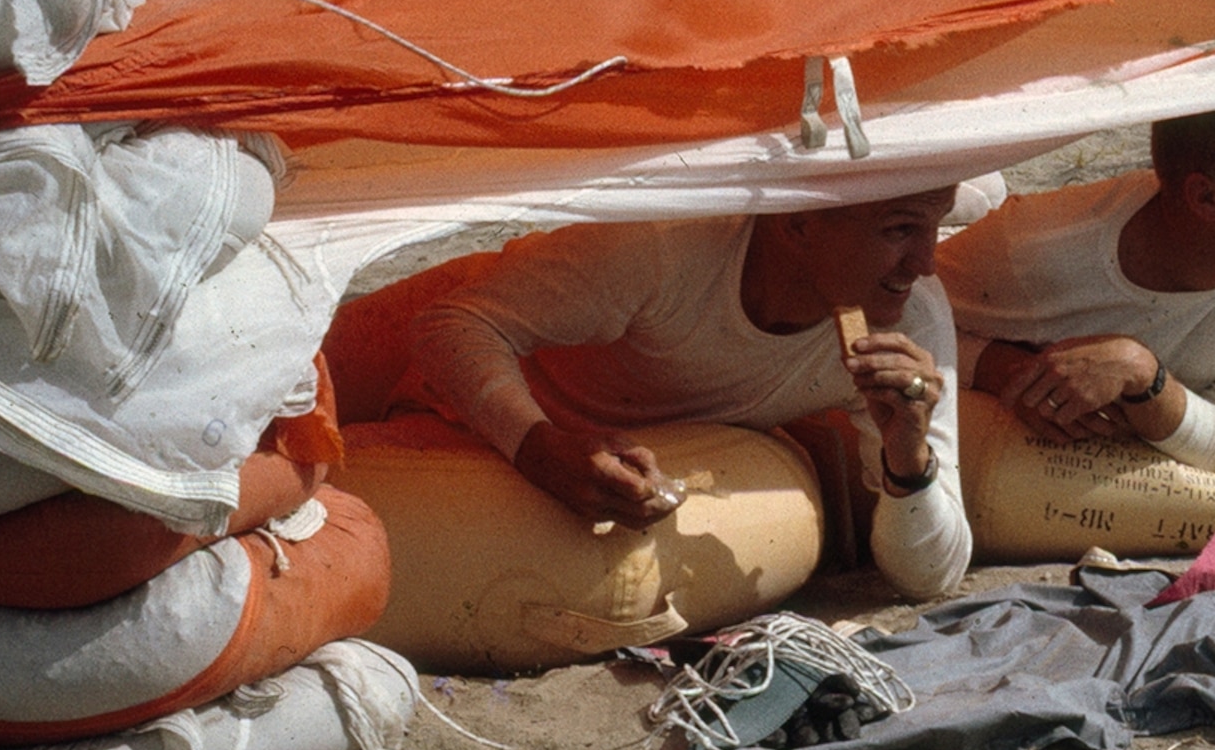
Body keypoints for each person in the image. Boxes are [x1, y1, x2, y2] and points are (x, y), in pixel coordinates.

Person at [323, 188, 971, 599]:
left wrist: (907, 452)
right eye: (898, 231)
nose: (925, 263)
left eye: (934, 227)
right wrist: (537, 444)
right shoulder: (659, 249)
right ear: (798, 223)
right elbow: (453, 325)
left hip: (580, 444)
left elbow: (933, 577)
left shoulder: (908, 320)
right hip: (456, 391)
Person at [937, 94, 1215, 473]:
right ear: (1206, 198)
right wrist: (1004, 368)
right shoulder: (1032, 252)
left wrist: (1139, 370)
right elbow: (887, 316)